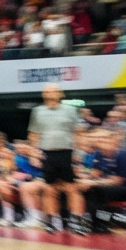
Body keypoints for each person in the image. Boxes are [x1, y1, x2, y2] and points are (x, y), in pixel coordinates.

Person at [28, 84, 83, 231]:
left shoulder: (71, 110)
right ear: (43, 94)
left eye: (53, 91)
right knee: (49, 189)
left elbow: (77, 132)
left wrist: (78, 153)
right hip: (47, 153)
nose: (50, 94)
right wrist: (33, 153)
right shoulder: (37, 111)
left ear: (60, 94)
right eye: (47, 91)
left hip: (67, 153)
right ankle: (52, 222)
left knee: (71, 188)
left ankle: (76, 222)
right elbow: (33, 135)